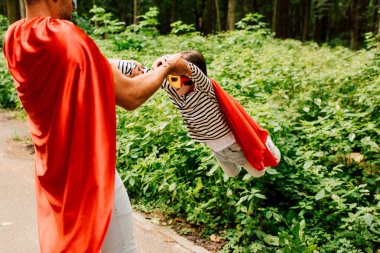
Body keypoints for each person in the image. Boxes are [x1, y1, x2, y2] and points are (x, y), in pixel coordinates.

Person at [2, 0, 182, 252]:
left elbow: (67, 69)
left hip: (54, 179)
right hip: (91, 178)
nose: (74, 7)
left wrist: (110, 71)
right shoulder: (66, 36)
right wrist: (168, 67)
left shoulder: (14, 38)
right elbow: (132, 96)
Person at [146, 51, 281, 178]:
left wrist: (173, 60)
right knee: (232, 173)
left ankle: (266, 142)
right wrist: (160, 63)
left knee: (259, 173)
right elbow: (153, 75)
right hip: (215, 147)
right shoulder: (176, 93)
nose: (173, 84)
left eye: (177, 79)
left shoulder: (205, 89)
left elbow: (192, 71)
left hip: (232, 145)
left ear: (190, 78)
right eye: (171, 79)